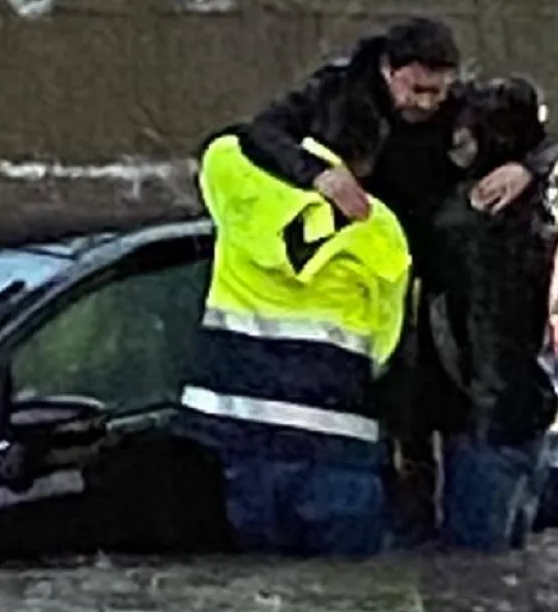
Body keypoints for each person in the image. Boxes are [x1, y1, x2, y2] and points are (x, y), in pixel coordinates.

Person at [226, 17, 558, 546]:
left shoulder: (469, 108)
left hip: (437, 281)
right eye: (416, 89)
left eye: (439, 90)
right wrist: (316, 174)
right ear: (389, 72)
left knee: (449, 443)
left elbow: (556, 143)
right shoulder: (336, 95)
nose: (428, 103)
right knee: (404, 446)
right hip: (370, 278)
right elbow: (257, 135)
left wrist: (529, 168)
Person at [173, 123, 413, 557]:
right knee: (338, 607)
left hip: (232, 447)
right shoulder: (381, 233)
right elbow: (385, 348)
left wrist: (307, 168)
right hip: (336, 459)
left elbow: (227, 142)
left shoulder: (241, 191)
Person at [418, 75, 558, 550]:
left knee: (470, 575)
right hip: (535, 409)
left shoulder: (463, 220)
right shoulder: (543, 205)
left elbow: (447, 325)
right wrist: (535, 165)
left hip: (481, 421)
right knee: (507, 568)